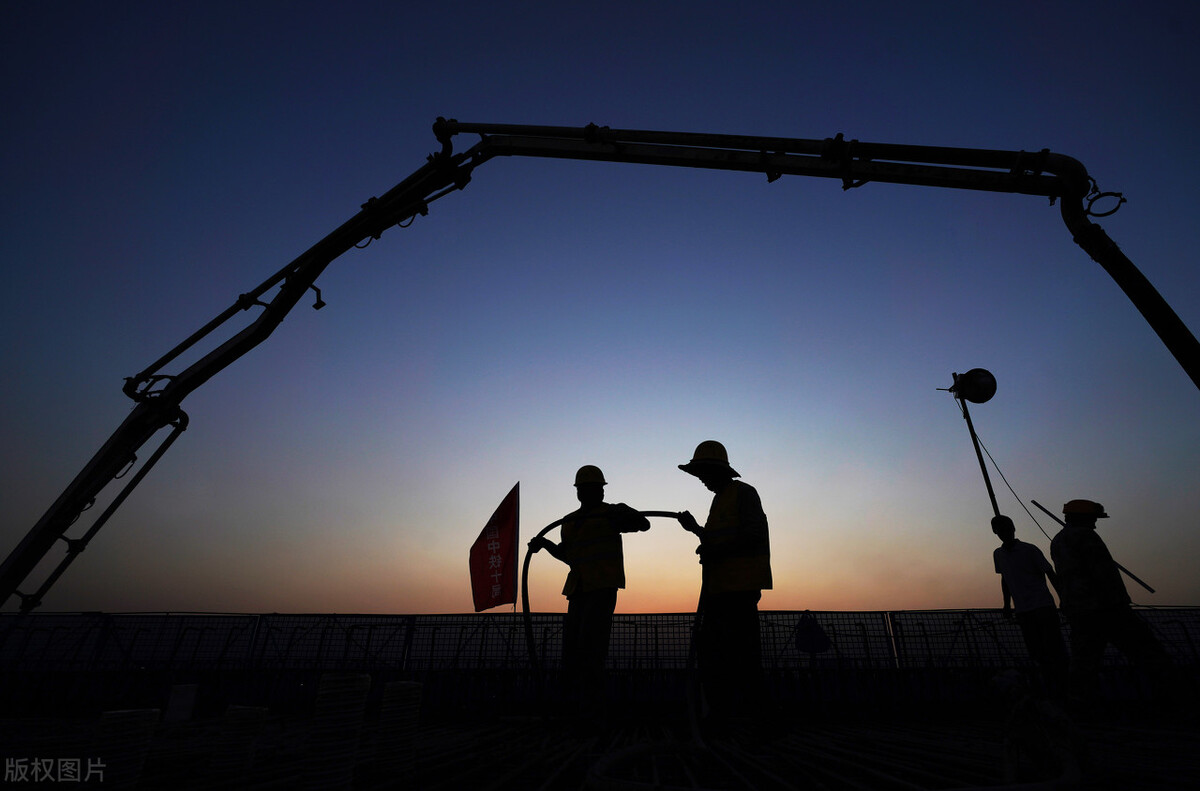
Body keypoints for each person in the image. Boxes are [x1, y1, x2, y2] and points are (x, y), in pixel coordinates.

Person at [528, 465, 650, 718]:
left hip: (602, 587)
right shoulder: (569, 522)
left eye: (599, 489)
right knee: (573, 649)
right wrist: (546, 544)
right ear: (580, 492)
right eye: (592, 489)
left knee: (591, 647)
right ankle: (575, 706)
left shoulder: (610, 514)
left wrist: (625, 511)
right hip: (579, 589)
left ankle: (592, 709)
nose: (598, 493)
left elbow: (643, 524)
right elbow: (568, 555)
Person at [676, 440, 772, 723]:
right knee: (714, 655)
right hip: (720, 590)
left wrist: (714, 549)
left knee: (742, 656)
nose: (702, 480)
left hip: (739, 590)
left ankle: (755, 719)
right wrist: (696, 531)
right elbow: (718, 540)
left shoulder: (743, 493)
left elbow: (752, 536)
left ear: (716, 470)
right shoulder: (719, 500)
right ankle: (723, 716)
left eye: (703, 473)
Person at [1049, 499, 1170, 707]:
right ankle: (1170, 697)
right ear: (1081, 518)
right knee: (1148, 652)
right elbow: (1103, 574)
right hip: (1106, 609)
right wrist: (1119, 601)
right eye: (1092, 519)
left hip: (1079, 611)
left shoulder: (1058, 540)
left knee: (1083, 662)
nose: (1095, 524)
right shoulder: (1086, 536)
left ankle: (1080, 703)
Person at [991, 515, 1069, 697]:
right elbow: (1005, 578)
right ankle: (1049, 689)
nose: (1005, 532)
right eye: (1000, 529)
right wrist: (1006, 604)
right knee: (1036, 652)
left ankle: (1064, 689)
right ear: (996, 532)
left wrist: (1063, 598)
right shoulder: (998, 554)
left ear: (1013, 528)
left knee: (1054, 649)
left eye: (1007, 527)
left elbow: (1050, 573)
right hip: (1023, 610)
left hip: (1043, 606)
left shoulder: (1029, 550)